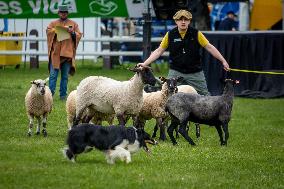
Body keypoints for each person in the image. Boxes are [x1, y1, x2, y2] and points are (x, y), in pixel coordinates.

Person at [138, 10, 229, 95]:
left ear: (189, 21)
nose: (183, 22)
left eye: (186, 19)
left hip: (195, 72)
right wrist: (145, 63)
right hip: (176, 71)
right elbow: (158, 51)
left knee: (204, 96)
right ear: (176, 21)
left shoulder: (197, 34)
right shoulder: (170, 35)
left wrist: (223, 61)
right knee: (166, 95)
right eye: (180, 19)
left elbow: (210, 47)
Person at [46, 5, 82, 100]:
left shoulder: (74, 24)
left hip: (67, 55)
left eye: (65, 12)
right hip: (56, 54)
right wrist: (57, 30)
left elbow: (79, 35)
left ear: (67, 13)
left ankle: (63, 96)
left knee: (65, 77)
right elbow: (48, 32)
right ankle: (50, 96)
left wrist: (72, 32)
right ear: (58, 13)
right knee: (53, 76)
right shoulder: (53, 23)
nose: (63, 14)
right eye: (61, 12)